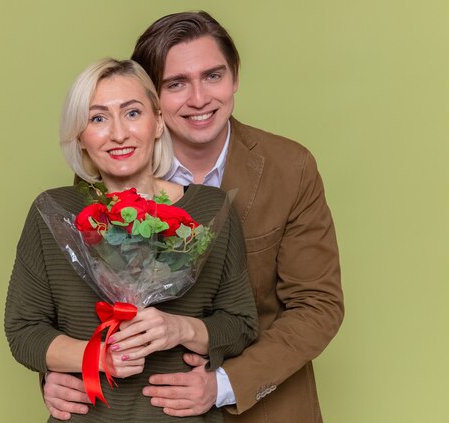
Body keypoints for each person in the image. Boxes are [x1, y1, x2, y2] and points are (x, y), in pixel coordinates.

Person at [43, 11, 344, 423]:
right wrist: (56, 377)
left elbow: (318, 305)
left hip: (266, 407)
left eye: (213, 76)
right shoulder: (105, 172)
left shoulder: (290, 167)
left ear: (234, 78)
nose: (200, 99)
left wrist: (223, 384)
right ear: (151, 98)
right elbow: (70, 300)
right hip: (143, 410)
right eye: (177, 84)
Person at [5, 58, 258, 422]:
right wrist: (97, 356)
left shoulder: (210, 209)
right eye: (97, 118)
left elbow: (241, 324)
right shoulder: (53, 212)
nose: (119, 134)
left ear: (158, 122)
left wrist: (179, 329)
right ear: (80, 135)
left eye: (133, 113)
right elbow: (23, 331)